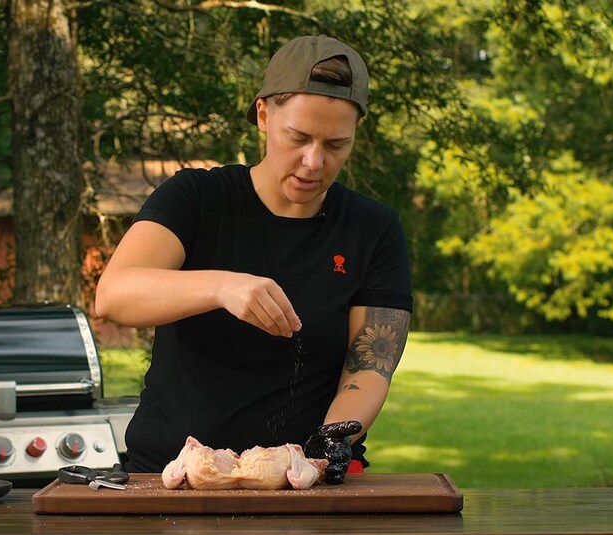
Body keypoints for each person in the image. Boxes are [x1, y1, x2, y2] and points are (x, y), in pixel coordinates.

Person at [94, 35, 412, 485]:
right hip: (169, 479)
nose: (313, 161)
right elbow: (113, 295)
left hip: (301, 483)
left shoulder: (373, 229)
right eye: (298, 137)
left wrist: (326, 446)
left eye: (336, 144)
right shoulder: (196, 199)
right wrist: (222, 287)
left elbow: (370, 366)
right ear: (263, 115)